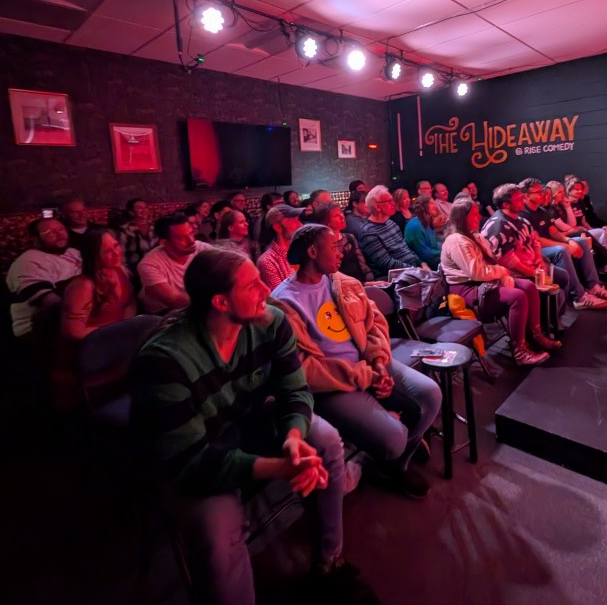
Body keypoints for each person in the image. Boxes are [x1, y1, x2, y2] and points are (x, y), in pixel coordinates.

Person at [131, 248, 376, 604]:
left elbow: (294, 390)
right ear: (220, 301)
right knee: (216, 532)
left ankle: (329, 562)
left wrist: (293, 437)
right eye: (252, 285)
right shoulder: (164, 361)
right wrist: (279, 467)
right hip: (199, 456)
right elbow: (188, 461)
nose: (266, 289)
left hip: (248, 421)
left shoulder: (271, 322)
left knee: (323, 440)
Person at [272, 225, 440, 498]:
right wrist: (368, 376)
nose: (342, 251)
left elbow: (374, 324)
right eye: (334, 246)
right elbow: (305, 369)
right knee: (393, 439)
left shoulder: (342, 282)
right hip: (333, 384)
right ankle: (382, 454)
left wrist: (377, 361)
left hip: (368, 365)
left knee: (430, 394)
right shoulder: (284, 302)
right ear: (313, 251)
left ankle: (395, 463)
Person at [441, 198, 559, 366]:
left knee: (529, 286)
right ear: (462, 218)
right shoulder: (456, 241)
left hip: (485, 282)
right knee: (517, 296)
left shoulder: (475, 236)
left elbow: (490, 263)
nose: (478, 218)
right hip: (468, 290)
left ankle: (535, 334)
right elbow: (477, 273)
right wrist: (502, 272)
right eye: (474, 215)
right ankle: (519, 350)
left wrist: (501, 272)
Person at [54, 229, 137, 409]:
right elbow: (73, 332)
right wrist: (117, 331)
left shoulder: (120, 271)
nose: (116, 253)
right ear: (93, 256)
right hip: (92, 351)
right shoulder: (83, 285)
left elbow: (128, 304)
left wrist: (128, 329)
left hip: (117, 342)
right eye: (107, 251)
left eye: (116, 246)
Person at [518, 178, 607, 308]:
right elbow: (537, 240)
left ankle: (594, 286)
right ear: (526, 195)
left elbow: (553, 231)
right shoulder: (522, 214)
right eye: (538, 192)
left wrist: (569, 240)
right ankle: (579, 296)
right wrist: (566, 245)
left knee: (580, 241)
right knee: (561, 250)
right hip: (535, 250)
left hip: (549, 244)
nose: (542, 194)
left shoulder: (541, 211)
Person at [7, 217, 82, 341]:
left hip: (73, 320)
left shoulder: (73, 253)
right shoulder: (28, 261)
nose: (59, 234)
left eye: (61, 229)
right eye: (49, 232)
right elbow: (50, 302)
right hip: (39, 330)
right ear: (35, 238)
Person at [137, 213, 214, 314]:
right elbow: (174, 300)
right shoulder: (149, 264)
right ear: (164, 243)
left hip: (199, 305)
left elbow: (227, 265)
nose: (191, 241)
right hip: (163, 314)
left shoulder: (201, 248)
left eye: (191, 233)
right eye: (182, 238)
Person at [357, 186, 423, 279]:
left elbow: (406, 249)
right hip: (394, 278)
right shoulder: (368, 233)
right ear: (377, 206)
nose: (393, 204)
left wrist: (422, 263)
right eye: (389, 201)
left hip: (411, 270)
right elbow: (386, 263)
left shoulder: (391, 223)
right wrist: (414, 270)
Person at [313, 202, 373, 282]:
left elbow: (363, 265)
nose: (342, 217)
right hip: (344, 286)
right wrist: (364, 285)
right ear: (325, 222)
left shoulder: (350, 237)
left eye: (341, 213)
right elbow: (333, 278)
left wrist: (372, 281)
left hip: (362, 282)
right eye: (336, 215)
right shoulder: (323, 245)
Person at [257, 204, 305, 290]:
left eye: (298, 219)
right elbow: (281, 300)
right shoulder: (267, 262)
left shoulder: (304, 251)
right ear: (278, 228)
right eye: (293, 220)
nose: (300, 225)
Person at [403, 195, 442, 268]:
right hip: (423, 262)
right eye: (431, 203)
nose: (435, 206)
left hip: (432, 257)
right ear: (423, 206)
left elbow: (434, 245)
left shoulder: (427, 221)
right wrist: (444, 252)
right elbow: (425, 254)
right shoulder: (415, 226)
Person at [118, 198, 156, 270]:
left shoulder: (155, 227)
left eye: (145, 207)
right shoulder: (125, 230)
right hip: (135, 268)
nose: (144, 210)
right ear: (131, 211)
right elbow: (121, 253)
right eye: (139, 208)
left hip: (156, 266)